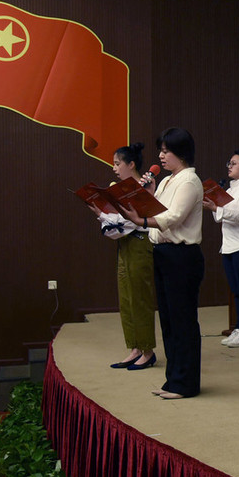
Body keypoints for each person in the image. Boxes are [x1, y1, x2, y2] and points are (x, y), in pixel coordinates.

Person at [122, 128, 204, 400]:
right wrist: (148, 194)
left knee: (183, 321)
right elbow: (156, 210)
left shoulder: (189, 180)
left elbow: (173, 217)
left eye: (166, 151)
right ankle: (173, 380)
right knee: (168, 321)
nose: (161, 155)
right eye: (161, 150)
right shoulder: (168, 180)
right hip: (163, 253)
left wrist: (141, 221)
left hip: (182, 256)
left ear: (181, 152)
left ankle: (186, 384)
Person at [90, 142, 157, 371]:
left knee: (140, 298)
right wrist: (103, 215)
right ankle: (134, 348)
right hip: (124, 244)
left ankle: (147, 350)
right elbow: (118, 225)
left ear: (131, 164)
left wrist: (105, 217)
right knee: (126, 299)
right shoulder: (118, 189)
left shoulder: (144, 187)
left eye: (118, 163)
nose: (114, 168)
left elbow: (129, 222)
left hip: (140, 243)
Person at [203, 149, 239, 348]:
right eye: (229, 163)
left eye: (233, 163)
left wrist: (216, 208)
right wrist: (214, 205)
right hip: (228, 246)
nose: (229, 166)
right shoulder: (229, 190)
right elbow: (219, 217)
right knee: (236, 290)